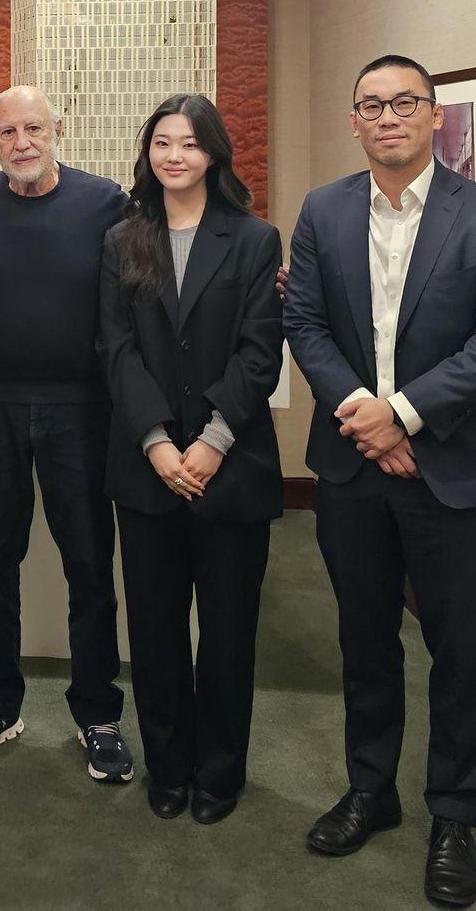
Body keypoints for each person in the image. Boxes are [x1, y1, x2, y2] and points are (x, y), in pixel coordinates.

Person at [283, 54, 476, 908]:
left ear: (435, 118)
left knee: (458, 648)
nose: (388, 116)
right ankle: (371, 788)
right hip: (352, 465)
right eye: (371, 105)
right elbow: (305, 321)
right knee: (363, 635)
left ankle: (456, 814)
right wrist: (365, 410)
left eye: (405, 102)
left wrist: (406, 414)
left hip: (454, 468)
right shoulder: (322, 209)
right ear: (354, 121)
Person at [98, 94, 283, 823]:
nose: (175, 156)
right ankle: (168, 764)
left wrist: (208, 442)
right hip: (147, 469)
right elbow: (112, 349)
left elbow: (259, 351)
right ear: (148, 155)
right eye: (162, 144)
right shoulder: (122, 239)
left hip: (229, 468)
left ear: (214, 153)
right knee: (155, 628)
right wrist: (157, 440)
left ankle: (220, 771)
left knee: (229, 632)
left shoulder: (254, 238)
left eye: (190, 144)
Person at [0, 86, 133, 782]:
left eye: (33, 127)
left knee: (88, 563)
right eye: (6, 132)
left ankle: (98, 713)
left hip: (80, 408)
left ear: (59, 129)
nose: (21, 142)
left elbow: (139, 292)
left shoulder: (104, 202)